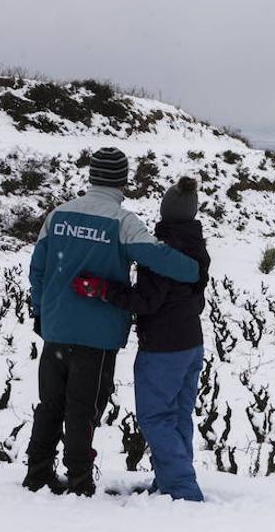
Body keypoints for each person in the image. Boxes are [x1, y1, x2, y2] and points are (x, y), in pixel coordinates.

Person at [24, 148, 200, 497]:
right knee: (83, 408)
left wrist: (41, 310)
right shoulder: (124, 223)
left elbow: (38, 270)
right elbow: (167, 261)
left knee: (50, 404)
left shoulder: (57, 215)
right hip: (98, 333)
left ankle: (38, 472)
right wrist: (193, 269)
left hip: (56, 327)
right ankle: (78, 479)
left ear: (91, 177)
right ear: (123, 180)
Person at [72, 176, 209, 502]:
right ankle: (170, 481)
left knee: (155, 417)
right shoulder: (197, 246)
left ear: (165, 212)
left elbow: (146, 301)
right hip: (192, 343)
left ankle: (182, 489)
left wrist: (104, 290)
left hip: (163, 347)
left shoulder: (161, 252)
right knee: (178, 416)